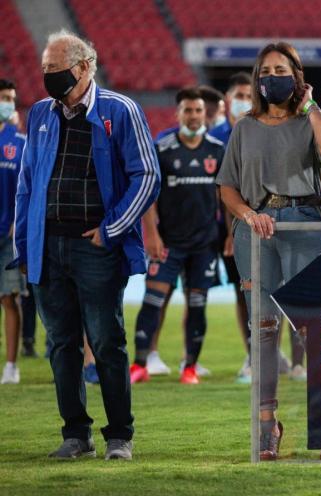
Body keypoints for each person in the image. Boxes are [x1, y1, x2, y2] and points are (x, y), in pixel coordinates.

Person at [14, 29, 159, 459]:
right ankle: (76, 434)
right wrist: (24, 246)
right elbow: (26, 184)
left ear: (84, 67)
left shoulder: (120, 110)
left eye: (55, 68)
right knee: (62, 345)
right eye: (44, 68)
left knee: (107, 341)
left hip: (95, 246)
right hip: (48, 246)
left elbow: (147, 175)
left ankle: (120, 435)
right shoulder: (40, 113)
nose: (47, 76)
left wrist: (112, 230)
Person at [216, 41, 321, 460]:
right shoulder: (244, 127)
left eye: (281, 70)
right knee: (264, 331)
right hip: (256, 230)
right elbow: (227, 186)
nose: (273, 78)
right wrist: (247, 216)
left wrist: (311, 107)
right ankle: (267, 426)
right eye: (266, 71)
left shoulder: (310, 119)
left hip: (304, 223)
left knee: (314, 329)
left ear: (297, 76)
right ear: (257, 79)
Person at [129, 87, 226, 385]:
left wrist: (231, 235)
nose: (194, 116)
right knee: (152, 300)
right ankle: (139, 364)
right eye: (188, 110)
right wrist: (152, 234)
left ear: (205, 114)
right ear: (178, 113)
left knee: (197, 304)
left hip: (205, 244)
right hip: (169, 242)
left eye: (198, 111)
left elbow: (225, 196)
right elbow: (149, 196)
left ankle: (190, 368)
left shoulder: (217, 150)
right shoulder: (162, 149)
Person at [210, 72, 256, 384]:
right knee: (244, 292)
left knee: (270, 291)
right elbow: (220, 190)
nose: (244, 101)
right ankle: (252, 354)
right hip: (227, 228)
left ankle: (266, 353)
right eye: (239, 95)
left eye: (249, 96)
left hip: (264, 222)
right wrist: (230, 232)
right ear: (227, 99)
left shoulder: (263, 130)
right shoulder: (214, 138)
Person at [0, 79, 26, 385]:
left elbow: (27, 187)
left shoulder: (20, 142)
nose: (8, 103)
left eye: (11, 98)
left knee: (9, 298)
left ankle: (11, 366)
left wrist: (17, 222)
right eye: (4, 97)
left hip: (8, 234)